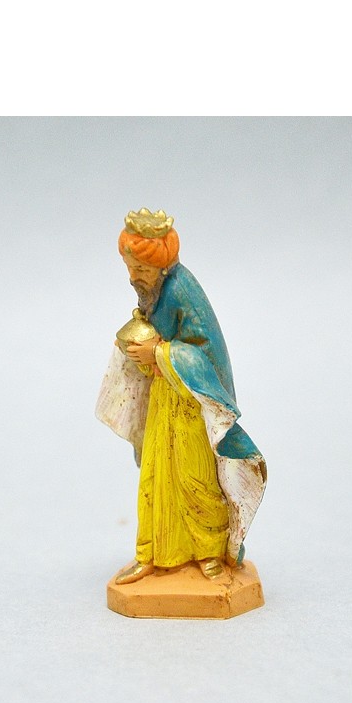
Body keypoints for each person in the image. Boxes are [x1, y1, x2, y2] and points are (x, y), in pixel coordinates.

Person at [96, 209, 267, 585]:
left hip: (191, 403)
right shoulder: (153, 292)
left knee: (195, 479)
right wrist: (139, 350)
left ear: (161, 267)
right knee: (155, 479)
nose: (133, 277)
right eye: (129, 267)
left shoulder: (181, 290)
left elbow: (203, 354)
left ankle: (209, 553)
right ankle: (151, 554)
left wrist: (157, 352)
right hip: (164, 399)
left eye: (140, 269)